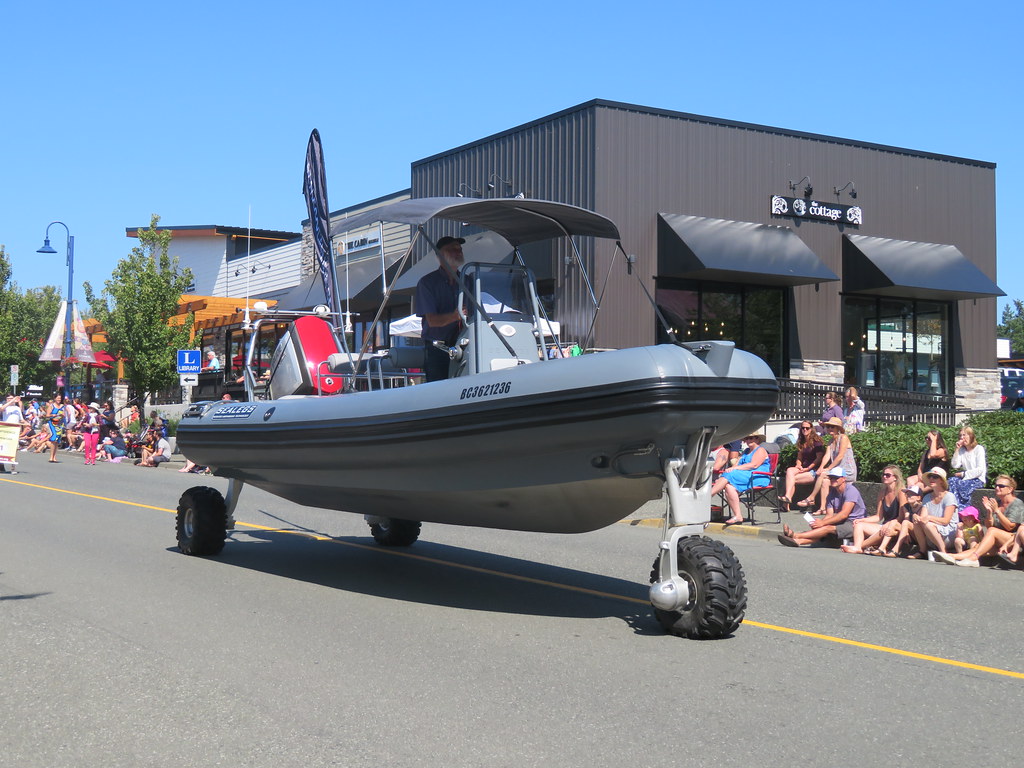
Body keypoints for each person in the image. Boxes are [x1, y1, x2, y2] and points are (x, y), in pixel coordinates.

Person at [934, 475, 1023, 567]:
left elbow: (1010, 526)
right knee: (978, 546)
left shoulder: (1017, 504)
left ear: (1010, 489)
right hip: (999, 540)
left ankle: (974, 559)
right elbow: (989, 526)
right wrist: (989, 512)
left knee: (992, 532)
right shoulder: (997, 503)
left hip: (1014, 541)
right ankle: (951, 556)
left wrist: (996, 511)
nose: (997, 488)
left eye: (1001, 486)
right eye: (996, 485)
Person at [415, 235, 466, 382]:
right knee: (439, 390)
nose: (458, 252)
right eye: (452, 249)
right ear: (439, 255)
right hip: (438, 350)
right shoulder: (427, 283)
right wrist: (455, 316)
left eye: (460, 249)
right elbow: (432, 321)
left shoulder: (468, 281)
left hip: (465, 346)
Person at [778, 467, 866, 547]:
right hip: (842, 521)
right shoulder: (832, 493)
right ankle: (797, 541)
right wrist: (818, 523)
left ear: (843, 479)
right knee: (823, 529)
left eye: (836, 478)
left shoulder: (851, 491)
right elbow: (829, 515)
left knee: (827, 528)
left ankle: (796, 535)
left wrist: (823, 523)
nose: (833, 480)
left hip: (855, 523)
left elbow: (844, 514)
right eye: (831, 477)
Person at [840, 464, 909, 555]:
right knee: (859, 525)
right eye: (883, 474)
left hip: (896, 527)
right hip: (885, 526)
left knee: (885, 528)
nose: (884, 477)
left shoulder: (901, 492)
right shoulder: (882, 493)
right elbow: (878, 516)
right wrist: (862, 520)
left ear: (895, 478)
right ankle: (858, 546)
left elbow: (901, 517)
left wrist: (889, 523)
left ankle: (858, 546)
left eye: (887, 475)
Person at [798, 417, 856, 514]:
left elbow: (840, 456)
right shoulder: (830, 441)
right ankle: (823, 508)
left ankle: (811, 497)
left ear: (838, 428)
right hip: (837, 470)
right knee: (825, 481)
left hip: (846, 471)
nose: (829, 429)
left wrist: (828, 469)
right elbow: (826, 456)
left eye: (832, 427)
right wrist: (821, 467)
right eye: (828, 426)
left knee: (823, 474)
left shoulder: (843, 438)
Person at [710, 434, 771, 525]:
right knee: (728, 486)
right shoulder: (746, 451)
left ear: (757, 439)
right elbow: (736, 465)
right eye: (746, 438)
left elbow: (754, 465)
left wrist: (733, 470)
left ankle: (708, 496)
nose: (748, 440)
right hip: (745, 476)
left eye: (751, 438)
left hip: (758, 476)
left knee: (730, 474)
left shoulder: (760, 450)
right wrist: (731, 468)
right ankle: (738, 516)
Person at [906, 467, 958, 559]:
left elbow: (946, 521)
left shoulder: (949, 497)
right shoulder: (927, 497)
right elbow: (923, 518)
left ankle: (943, 552)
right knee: (918, 522)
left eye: (935, 477)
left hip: (949, 534)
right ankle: (922, 551)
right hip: (932, 532)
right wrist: (916, 516)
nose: (931, 479)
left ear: (942, 480)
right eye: (930, 476)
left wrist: (929, 518)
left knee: (928, 524)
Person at [777, 421, 825, 509]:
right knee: (790, 470)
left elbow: (818, 459)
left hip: (813, 470)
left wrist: (807, 468)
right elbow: (799, 458)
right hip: (804, 467)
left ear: (811, 429)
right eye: (803, 428)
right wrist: (798, 465)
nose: (805, 430)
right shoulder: (801, 441)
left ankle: (786, 503)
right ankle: (787, 497)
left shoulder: (816, 441)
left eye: (807, 428)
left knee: (791, 479)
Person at [948, 426, 986, 511]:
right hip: (966, 478)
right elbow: (955, 465)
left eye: (964, 435)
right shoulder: (962, 450)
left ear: (971, 436)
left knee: (961, 484)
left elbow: (980, 470)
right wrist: (957, 450)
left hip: (977, 479)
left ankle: (964, 508)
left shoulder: (978, 449)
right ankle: (955, 508)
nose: (962, 438)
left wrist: (963, 474)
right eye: (960, 436)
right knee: (951, 480)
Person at [79, 402, 103, 466]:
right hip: (87, 431)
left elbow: (101, 424)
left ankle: (92, 459)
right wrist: (86, 424)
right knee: (87, 445)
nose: (90, 409)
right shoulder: (87, 415)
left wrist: (96, 424)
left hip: (95, 431)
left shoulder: (98, 416)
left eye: (91, 408)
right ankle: (87, 458)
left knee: (93, 446)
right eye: (90, 408)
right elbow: (83, 422)